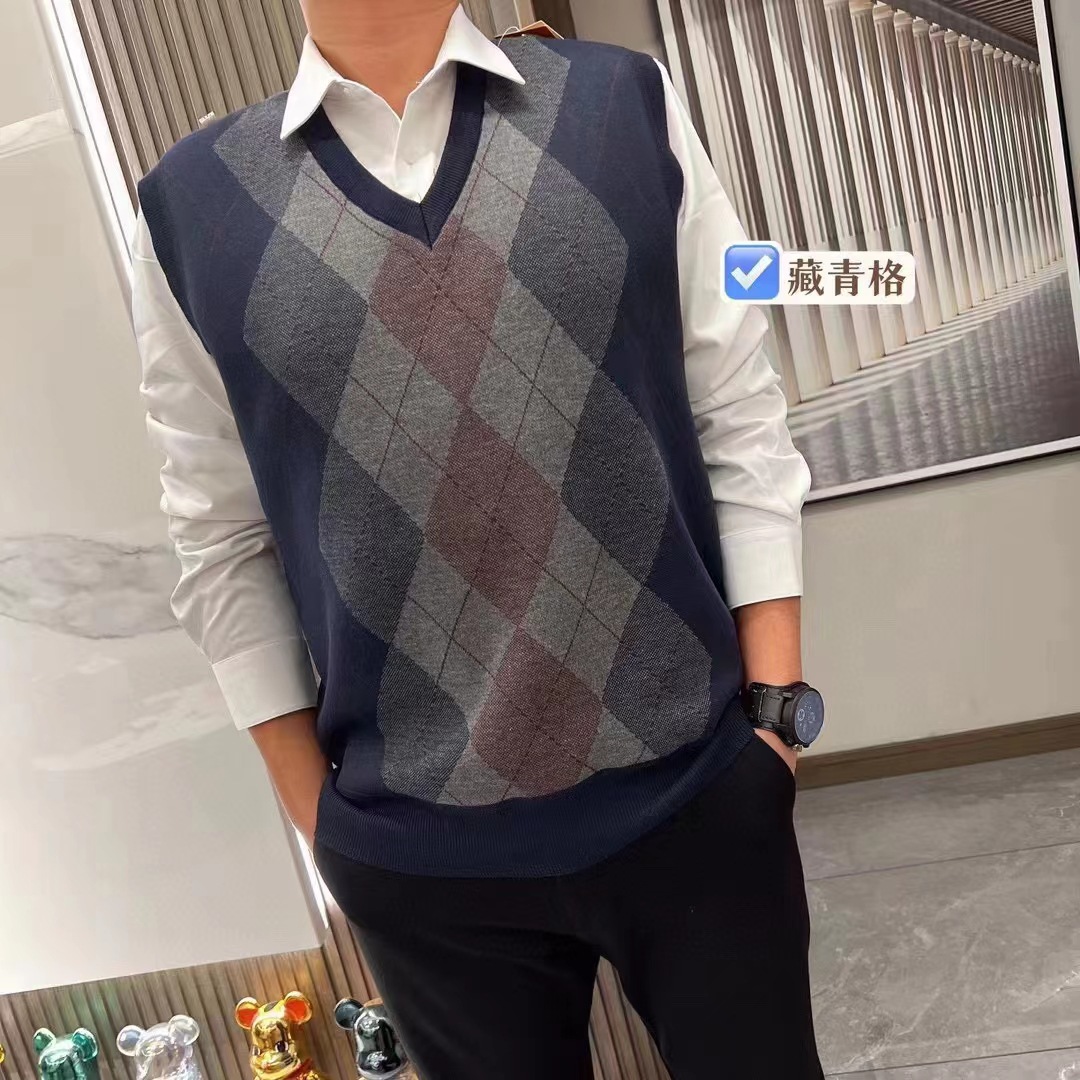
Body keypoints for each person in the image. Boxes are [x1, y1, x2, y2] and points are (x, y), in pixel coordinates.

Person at [132, 1, 823, 1076]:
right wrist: (327, 827)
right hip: (418, 859)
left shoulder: (624, 106)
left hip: (695, 795)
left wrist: (772, 724)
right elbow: (219, 535)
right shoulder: (193, 205)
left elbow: (737, 407)